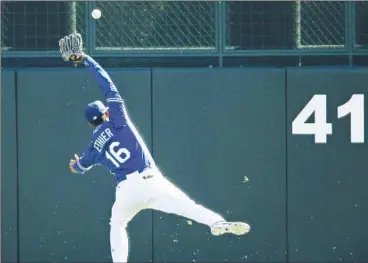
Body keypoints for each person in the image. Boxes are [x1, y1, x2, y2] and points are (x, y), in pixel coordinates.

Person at [59, 33, 250, 263]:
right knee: (189, 207)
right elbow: (107, 85)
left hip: (127, 190)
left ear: (91, 123)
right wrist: (86, 59)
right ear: (106, 113)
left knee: (117, 224)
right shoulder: (118, 119)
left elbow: (79, 167)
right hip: (150, 180)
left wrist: (75, 164)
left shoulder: (93, 146)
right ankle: (216, 222)